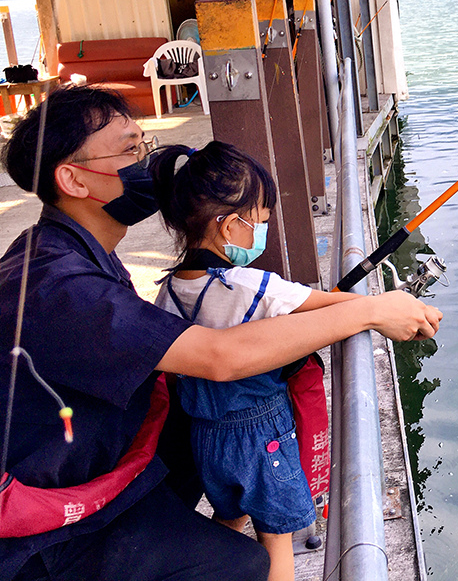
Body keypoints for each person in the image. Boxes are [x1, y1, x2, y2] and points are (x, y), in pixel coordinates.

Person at [0, 87, 441, 581]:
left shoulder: (65, 249)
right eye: (129, 150)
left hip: (102, 466)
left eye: (143, 144)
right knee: (244, 567)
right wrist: (369, 313)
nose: (146, 163)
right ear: (73, 178)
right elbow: (218, 356)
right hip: (48, 535)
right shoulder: (58, 284)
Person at [148, 141, 358, 581]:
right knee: (276, 537)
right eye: (259, 222)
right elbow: (330, 306)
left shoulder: (167, 291)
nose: (262, 232)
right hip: (262, 438)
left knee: (227, 519)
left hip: (205, 437)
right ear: (229, 227)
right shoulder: (253, 286)